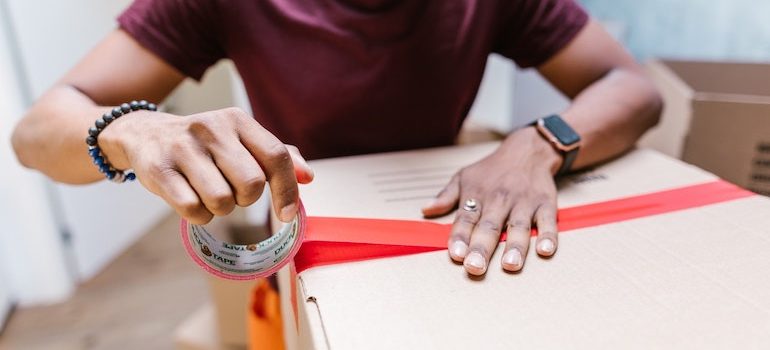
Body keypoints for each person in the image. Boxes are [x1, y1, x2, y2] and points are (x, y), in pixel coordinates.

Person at [11, 0, 661, 276]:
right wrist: (133, 128)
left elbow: (634, 88)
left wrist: (540, 142)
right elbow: (35, 133)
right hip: (307, 243)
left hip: (437, 227)